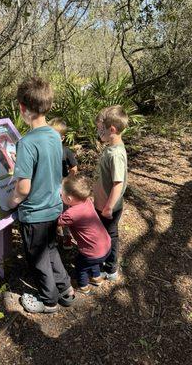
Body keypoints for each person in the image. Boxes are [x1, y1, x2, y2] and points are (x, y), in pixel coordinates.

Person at [8, 77, 75, 313]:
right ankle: (66, 290)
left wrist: (11, 201)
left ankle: (48, 300)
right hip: (53, 206)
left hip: (34, 212)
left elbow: (23, 188)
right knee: (50, 250)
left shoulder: (26, 143)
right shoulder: (55, 136)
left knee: (38, 258)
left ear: (22, 108)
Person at [58, 175, 111, 295]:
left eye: (62, 193)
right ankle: (96, 278)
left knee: (81, 266)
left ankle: (83, 286)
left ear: (69, 199)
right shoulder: (87, 201)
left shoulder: (71, 214)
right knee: (93, 262)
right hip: (105, 245)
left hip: (92, 251)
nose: (60, 194)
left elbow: (58, 221)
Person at [94, 105, 128, 282]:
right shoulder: (110, 148)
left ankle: (110, 267)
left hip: (108, 207)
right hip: (102, 204)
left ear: (112, 129)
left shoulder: (116, 154)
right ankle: (103, 261)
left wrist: (108, 207)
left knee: (109, 235)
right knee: (104, 234)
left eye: (100, 129)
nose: (98, 132)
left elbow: (118, 183)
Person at [48, 118, 78, 250]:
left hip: (63, 188)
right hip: (49, 187)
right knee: (52, 211)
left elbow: (74, 168)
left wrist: (67, 180)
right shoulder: (46, 151)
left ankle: (67, 237)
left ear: (62, 138)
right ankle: (55, 236)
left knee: (66, 212)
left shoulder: (66, 151)